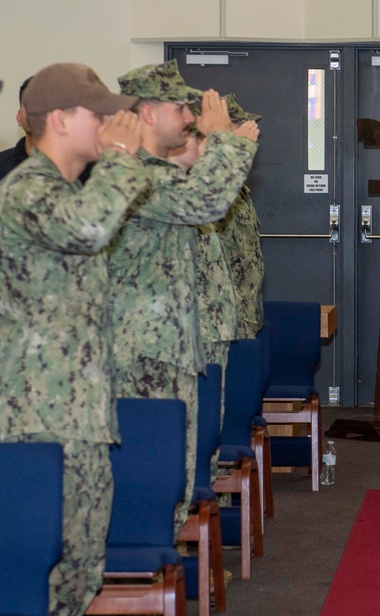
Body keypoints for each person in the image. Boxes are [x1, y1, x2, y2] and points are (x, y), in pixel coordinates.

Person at [0, 63, 148, 616]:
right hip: (35, 422)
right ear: (60, 120)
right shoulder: (27, 191)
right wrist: (121, 158)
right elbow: (86, 230)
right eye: (100, 113)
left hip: (77, 413)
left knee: (80, 569)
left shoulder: (67, 192)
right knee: (41, 576)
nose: (114, 122)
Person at [110, 60, 258, 537]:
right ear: (148, 114)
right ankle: (143, 606)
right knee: (151, 476)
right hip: (142, 356)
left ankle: (156, 600)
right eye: (180, 107)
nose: (191, 117)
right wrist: (227, 140)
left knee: (170, 472)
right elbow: (207, 201)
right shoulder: (137, 176)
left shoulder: (154, 174)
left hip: (166, 349)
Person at [215, 95, 266, 341]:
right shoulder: (209, 188)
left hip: (245, 314)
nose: (250, 135)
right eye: (240, 128)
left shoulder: (239, 191)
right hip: (223, 320)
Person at [0, 77, 35, 180]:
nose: (36, 112)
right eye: (30, 105)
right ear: (19, 117)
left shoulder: (79, 167)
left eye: (44, 106)